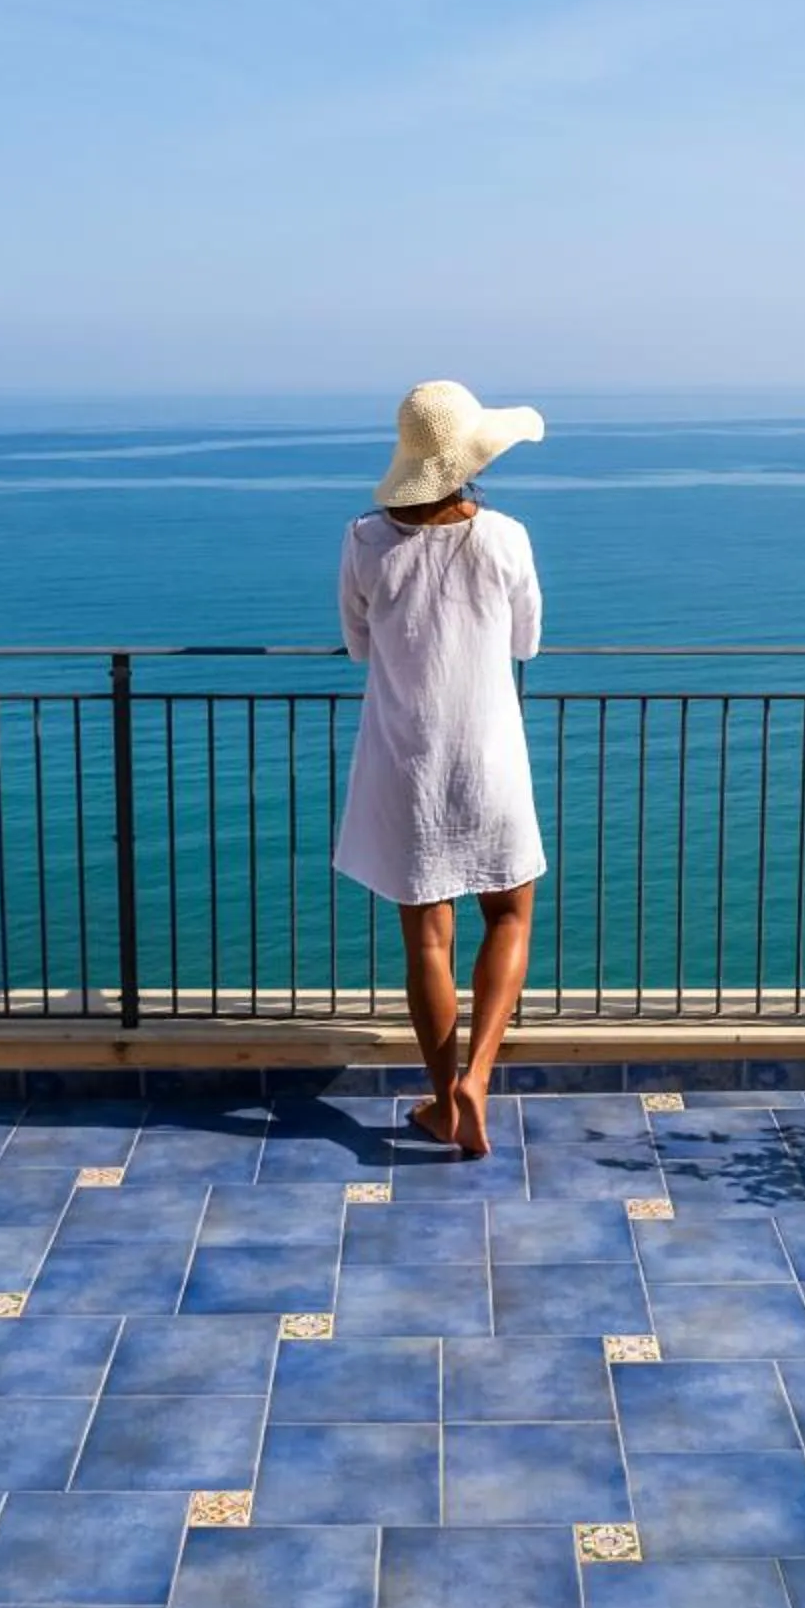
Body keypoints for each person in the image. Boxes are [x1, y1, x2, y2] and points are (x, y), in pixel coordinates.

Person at [333, 380, 547, 1159]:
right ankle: (478, 1080)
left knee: (429, 938)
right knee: (510, 917)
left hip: (406, 762)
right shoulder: (504, 538)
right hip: (490, 755)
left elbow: (359, 644)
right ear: (470, 461)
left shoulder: (365, 540)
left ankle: (440, 1094)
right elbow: (526, 641)